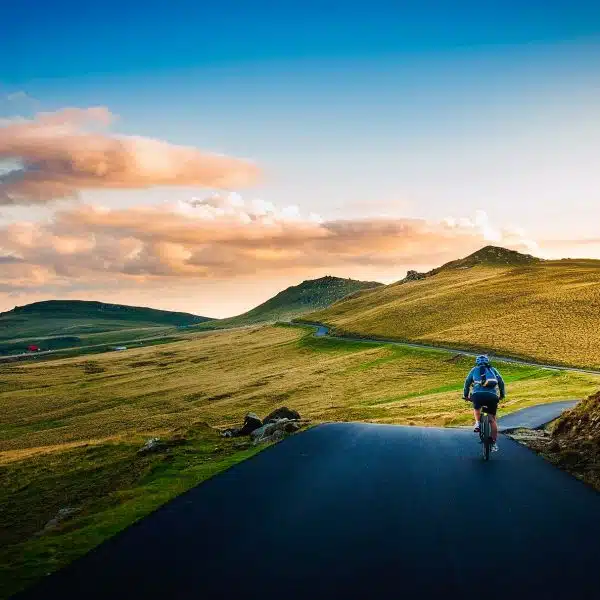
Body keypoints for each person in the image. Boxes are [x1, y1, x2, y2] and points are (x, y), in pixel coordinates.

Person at [462, 355, 505, 452]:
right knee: (492, 419)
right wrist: (502, 395)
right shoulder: (493, 370)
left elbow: (467, 383)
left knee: (477, 408)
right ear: (487, 362)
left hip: (478, 395)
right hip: (492, 396)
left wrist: (465, 395)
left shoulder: (474, 370)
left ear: (477, 362)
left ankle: (477, 423)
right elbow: (501, 382)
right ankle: (493, 443)